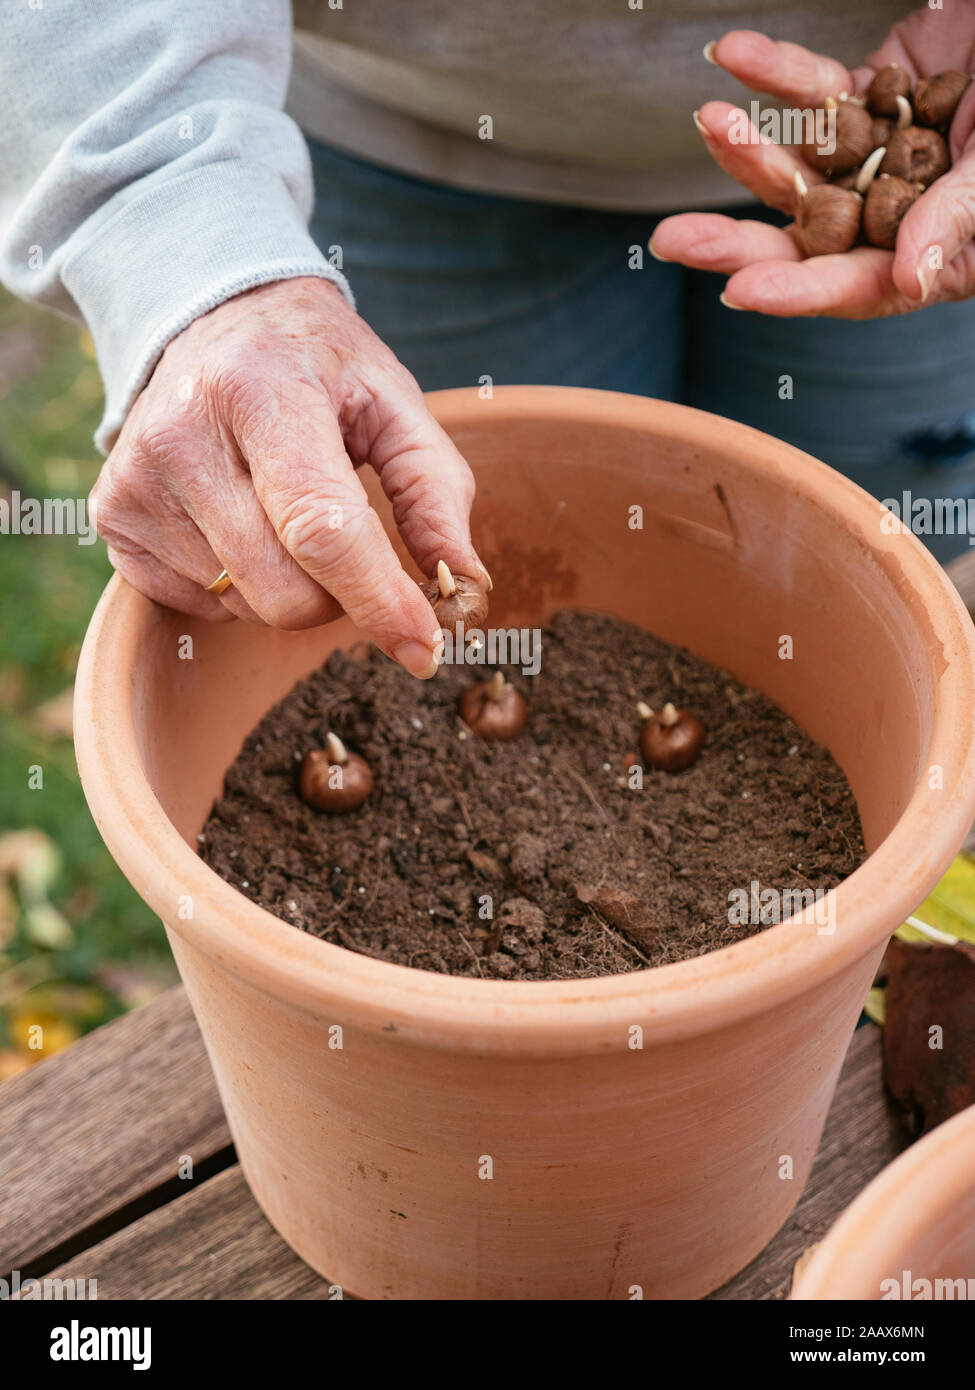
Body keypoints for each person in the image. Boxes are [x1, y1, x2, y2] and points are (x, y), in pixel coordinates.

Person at [2, 3, 975, 679]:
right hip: (405, 136)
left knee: (875, 583)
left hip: (906, 139)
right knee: (474, 569)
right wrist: (176, 233)